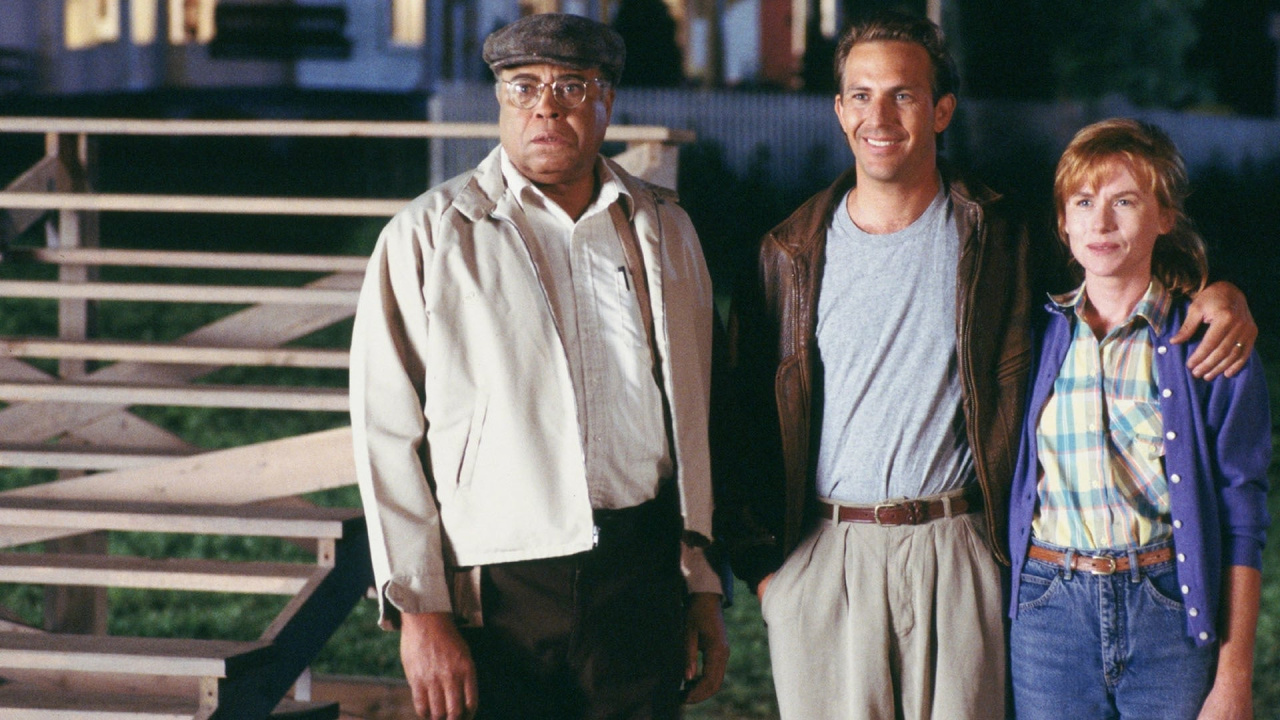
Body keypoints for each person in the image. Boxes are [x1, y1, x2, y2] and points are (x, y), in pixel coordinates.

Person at [715, 11, 1258, 720]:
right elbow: (739, 417)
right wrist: (769, 576)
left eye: (903, 94)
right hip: (829, 557)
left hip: (962, 550)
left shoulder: (1002, 236)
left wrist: (1222, 291)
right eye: (859, 93)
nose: (878, 114)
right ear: (839, 108)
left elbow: (1117, 264)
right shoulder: (787, 253)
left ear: (941, 109)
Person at [349, 13, 728, 720]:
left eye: (572, 86)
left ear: (607, 100)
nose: (546, 106)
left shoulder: (664, 229)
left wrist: (699, 580)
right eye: (523, 87)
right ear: (499, 101)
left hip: (639, 572)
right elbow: (385, 437)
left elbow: (695, 414)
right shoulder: (428, 236)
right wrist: (421, 610)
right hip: (497, 590)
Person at [1006, 118, 1269, 720]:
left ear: (1165, 216)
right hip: (1048, 610)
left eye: (1125, 201)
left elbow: (1243, 515)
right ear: (1063, 221)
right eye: (1083, 202)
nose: (1101, 223)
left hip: (1167, 611)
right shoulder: (1030, 338)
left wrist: (1234, 680)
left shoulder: (1210, 345)